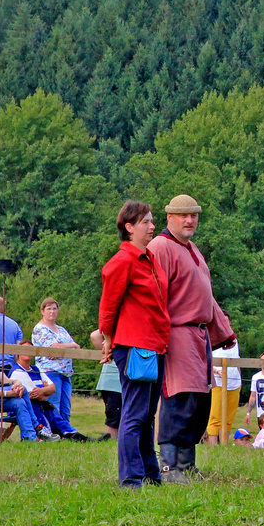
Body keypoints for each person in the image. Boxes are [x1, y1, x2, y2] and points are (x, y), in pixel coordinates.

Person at [148, 194, 235, 480]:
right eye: (183, 215)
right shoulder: (161, 247)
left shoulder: (192, 248)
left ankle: (186, 464)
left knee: (199, 402)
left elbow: (205, 295)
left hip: (199, 336)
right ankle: (168, 465)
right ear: (169, 217)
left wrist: (222, 331)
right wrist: (158, 338)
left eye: (194, 215)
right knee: (179, 398)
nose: (189, 220)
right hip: (176, 334)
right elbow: (154, 296)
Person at [98, 200, 171, 488]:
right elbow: (108, 306)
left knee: (148, 413)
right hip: (134, 346)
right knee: (134, 413)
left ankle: (151, 474)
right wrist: (107, 338)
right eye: (146, 222)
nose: (152, 226)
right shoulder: (122, 261)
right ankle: (130, 478)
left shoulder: (149, 258)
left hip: (156, 344)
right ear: (129, 228)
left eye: (152, 221)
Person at [31, 297, 79, 434]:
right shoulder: (40, 329)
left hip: (66, 373)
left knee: (66, 406)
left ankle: (67, 433)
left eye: (54, 308)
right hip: (50, 372)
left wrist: (68, 347)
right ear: (42, 311)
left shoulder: (61, 330)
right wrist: (69, 347)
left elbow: (75, 348)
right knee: (53, 405)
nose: (52, 311)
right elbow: (52, 349)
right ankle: (54, 432)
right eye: (49, 308)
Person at [205, 342, 244, 446]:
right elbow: (204, 360)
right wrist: (216, 371)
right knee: (215, 417)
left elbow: (237, 360)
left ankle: (224, 446)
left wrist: (240, 379)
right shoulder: (211, 336)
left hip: (234, 383)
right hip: (217, 383)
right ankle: (213, 447)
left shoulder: (234, 339)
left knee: (228, 418)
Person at [92, 328, 121, 441]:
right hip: (113, 380)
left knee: (115, 415)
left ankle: (115, 441)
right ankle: (112, 442)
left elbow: (95, 336)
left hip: (112, 380)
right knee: (115, 416)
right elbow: (95, 335)